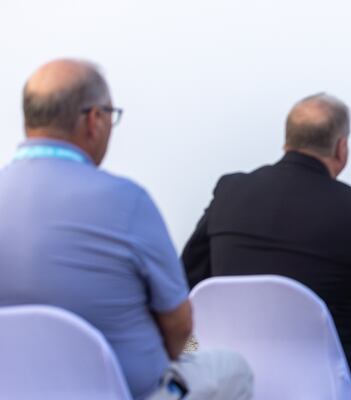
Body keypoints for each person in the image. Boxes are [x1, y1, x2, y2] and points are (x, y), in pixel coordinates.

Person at [0, 59, 252, 400]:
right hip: (128, 391)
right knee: (232, 366)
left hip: (15, 388)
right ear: (94, 120)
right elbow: (180, 327)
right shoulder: (127, 201)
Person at [182, 93, 351, 399]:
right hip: (327, 370)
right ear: (341, 149)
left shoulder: (229, 191)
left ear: (287, 142)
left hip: (235, 366)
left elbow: (187, 278)